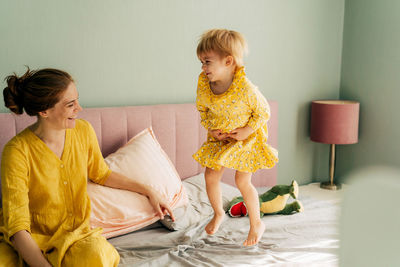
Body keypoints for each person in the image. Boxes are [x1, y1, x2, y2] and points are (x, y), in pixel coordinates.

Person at [0, 68, 175, 267]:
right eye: (70, 104)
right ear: (44, 111)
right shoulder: (16, 152)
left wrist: (149, 190)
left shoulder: (83, 131)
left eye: (77, 100)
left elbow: (102, 174)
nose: (79, 108)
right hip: (28, 241)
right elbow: (17, 226)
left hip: (75, 237)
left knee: (99, 255)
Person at [193, 29, 279, 246]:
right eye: (201, 62)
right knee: (210, 176)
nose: (203, 67)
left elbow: (264, 112)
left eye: (207, 62)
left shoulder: (245, 88)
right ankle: (218, 213)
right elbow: (203, 109)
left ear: (228, 61)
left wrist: (247, 131)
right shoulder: (204, 83)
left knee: (242, 180)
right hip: (220, 136)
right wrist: (211, 129)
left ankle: (256, 223)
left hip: (246, 137)